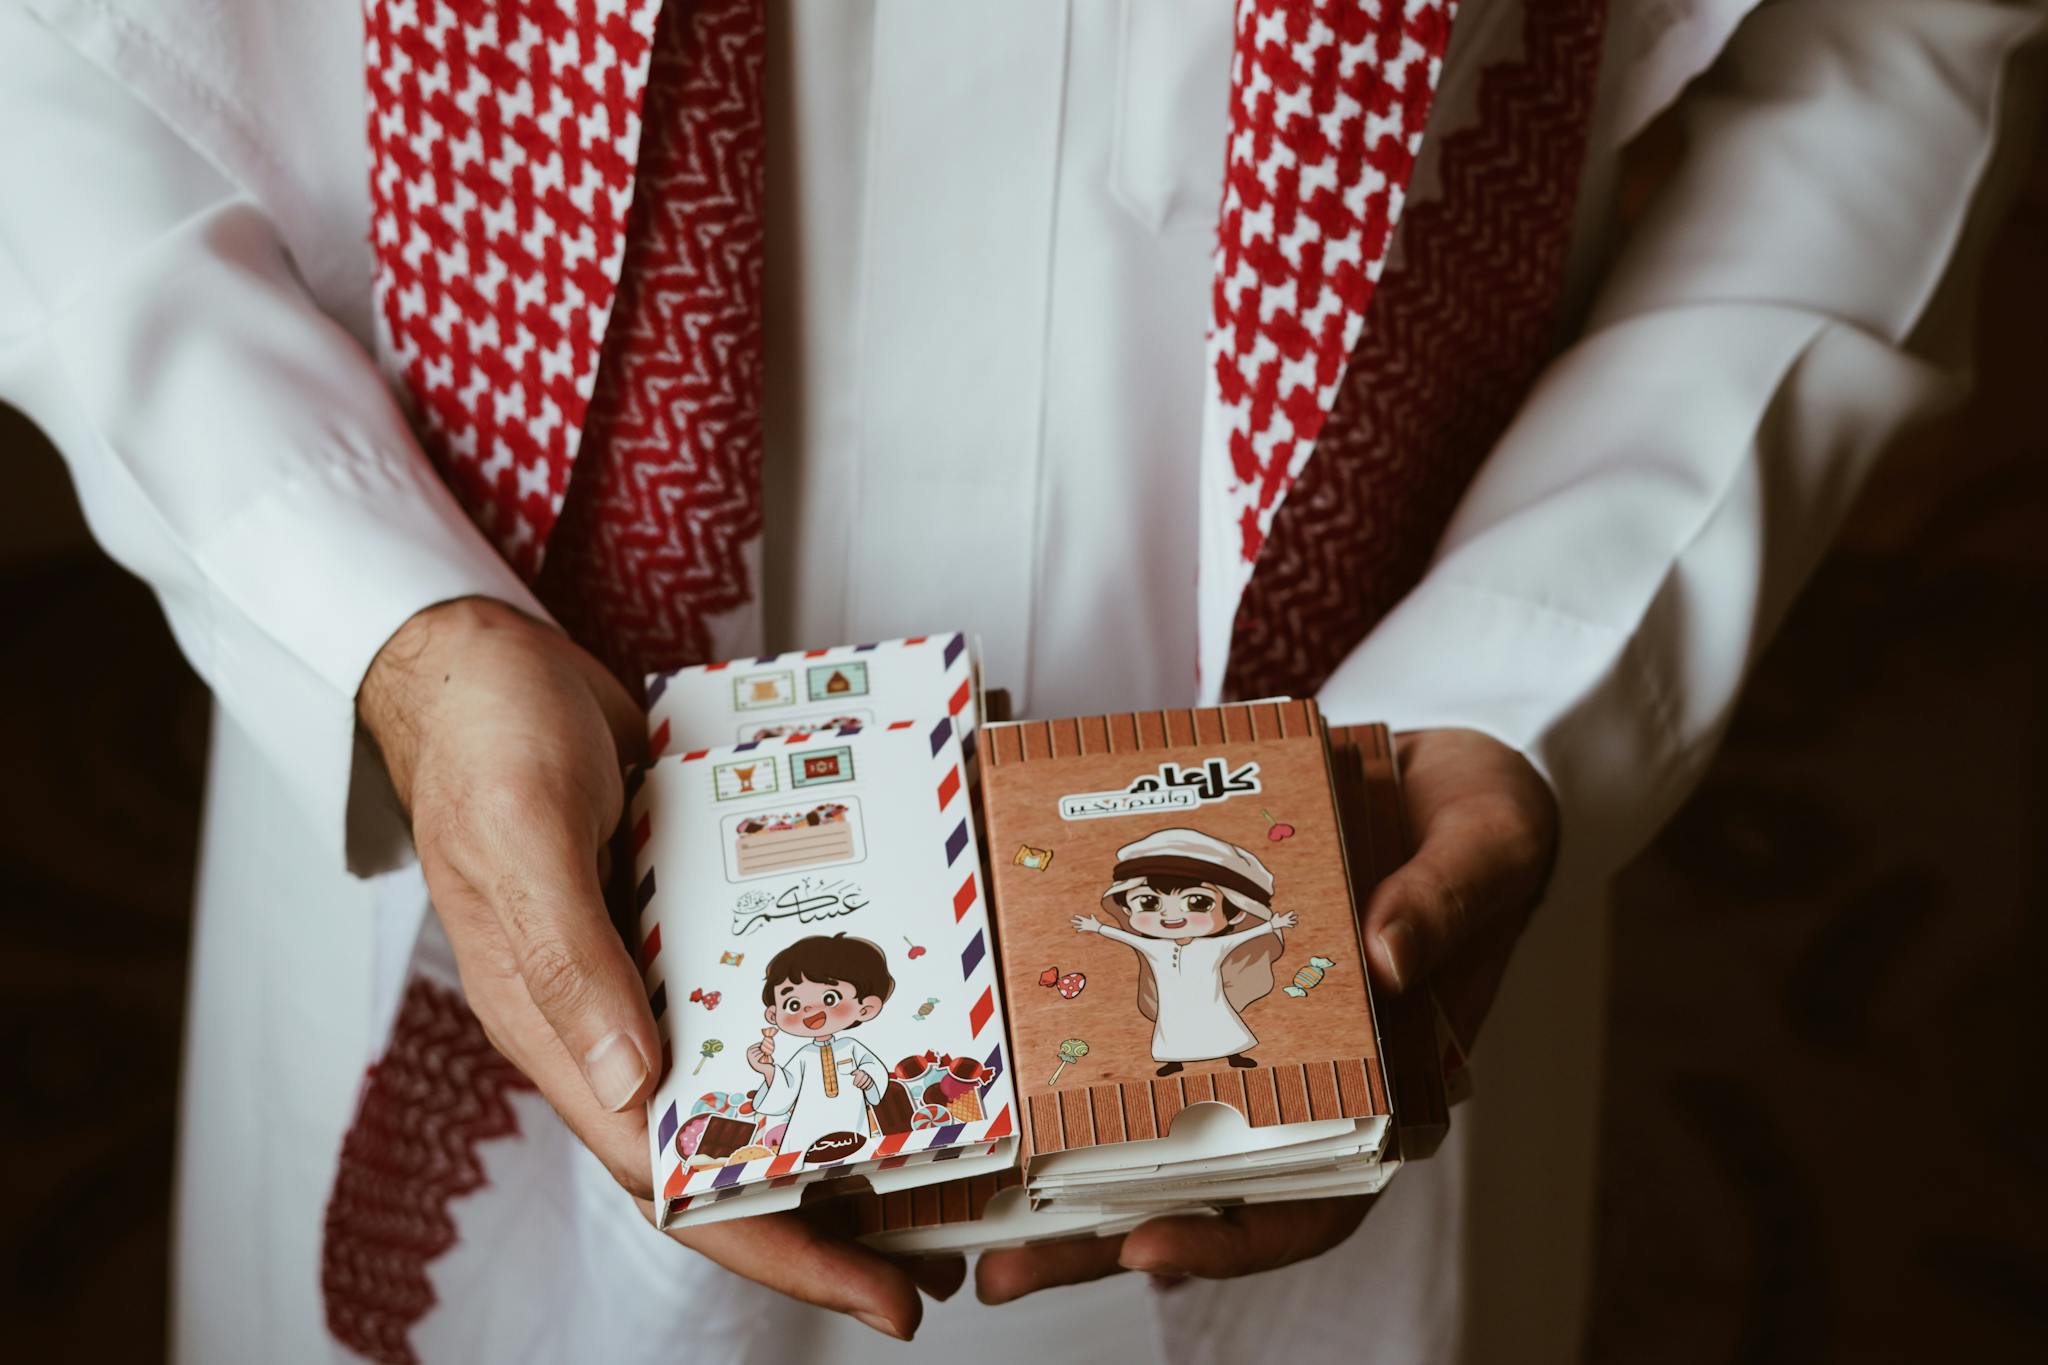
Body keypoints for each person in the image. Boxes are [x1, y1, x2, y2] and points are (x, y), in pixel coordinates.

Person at [1, 0, 2041, 1362]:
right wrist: (366, 600)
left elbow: (1883, 40)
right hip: (461, 670)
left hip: (1371, 784)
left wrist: (1539, 659)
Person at [1076, 828, 1294, 1074]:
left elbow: (1244, 936)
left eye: (1197, 902)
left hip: (1210, 999)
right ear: (1127, 909)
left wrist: (1272, 925)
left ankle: (1234, 1054)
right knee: (1171, 1025)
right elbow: (1125, 937)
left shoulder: (1213, 945)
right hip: (1172, 1001)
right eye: (1148, 902)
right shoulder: (1155, 947)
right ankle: (1173, 1059)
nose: (1170, 915)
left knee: (1220, 1020)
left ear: (1237, 911)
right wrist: (1097, 927)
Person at [748, 934, 896, 1160]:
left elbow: (875, 1072)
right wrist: (767, 1069)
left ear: (866, 1008)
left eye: (830, 998)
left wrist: (867, 1078)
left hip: (852, 1132)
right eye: (793, 1004)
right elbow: (785, 1092)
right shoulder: (803, 1056)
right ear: (773, 1014)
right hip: (804, 1137)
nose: (809, 1010)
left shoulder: (852, 1047)